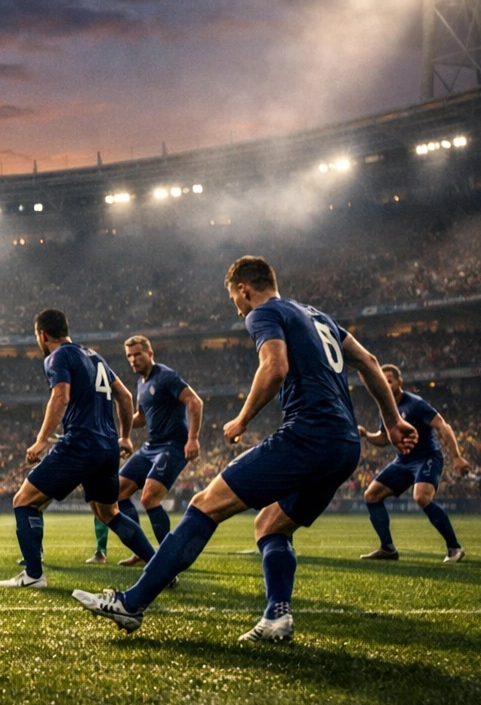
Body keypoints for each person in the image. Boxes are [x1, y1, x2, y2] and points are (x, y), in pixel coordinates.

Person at [74, 256, 416, 641]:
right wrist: (392, 421)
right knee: (270, 525)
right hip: (344, 447)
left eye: (233, 298)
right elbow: (369, 361)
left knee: (204, 505)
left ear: (243, 289)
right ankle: (277, 616)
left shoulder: (263, 313)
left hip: (307, 434)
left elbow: (275, 367)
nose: (236, 308)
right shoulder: (318, 317)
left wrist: (243, 419)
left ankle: (132, 603)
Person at [0, 307, 153, 590]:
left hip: (80, 444)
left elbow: (61, 395)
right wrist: (126, 436)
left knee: (23, 500)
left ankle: (33, 575)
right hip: (107, 447)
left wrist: (42, 440)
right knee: (109, 514)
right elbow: (125, 396)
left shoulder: (57, 357)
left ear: (42, 335)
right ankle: (159, 569)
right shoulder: (95, 357)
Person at [358, 364, 471, 563]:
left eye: (389, 381)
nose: (385, 384)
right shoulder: (385, 409)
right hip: (403, 461)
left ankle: (454, 547)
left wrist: (456, 457)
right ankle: (388, 549)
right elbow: (384, 439)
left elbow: (442, 425)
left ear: (399, 383)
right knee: (371, 496)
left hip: (427, 457)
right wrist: (367, 435)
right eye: (382, 381)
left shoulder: (415, 404)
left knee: (421, 497)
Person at [110, 335, 204, 565]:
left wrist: (193, 439)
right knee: (117, 492)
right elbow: (141, 418)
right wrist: (117, 430)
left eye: (138, 354)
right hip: (151, 446)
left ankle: (167, 558)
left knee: (149, 497)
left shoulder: (166, 376)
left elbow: (195, 402)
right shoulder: (141, 383)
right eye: (129, 356)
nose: (133, 359)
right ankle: (142, 552)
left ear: (150, 354)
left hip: (173, 445)